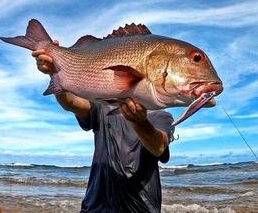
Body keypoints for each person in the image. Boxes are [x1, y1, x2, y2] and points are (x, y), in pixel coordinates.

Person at [32, 41, 174, 213]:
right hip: (95, 206)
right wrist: (54, 73)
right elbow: (70, 102)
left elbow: (159, 147)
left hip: (140, 208)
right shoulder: (102, 106)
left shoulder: (162, 116)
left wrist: (140, 122)